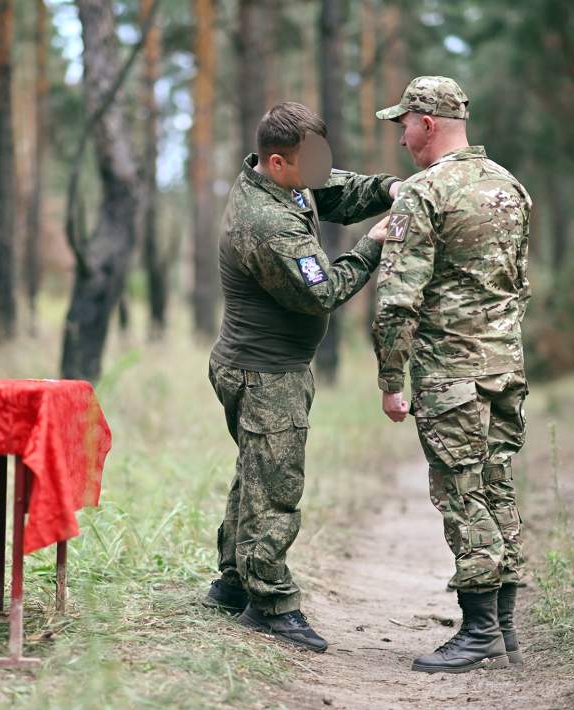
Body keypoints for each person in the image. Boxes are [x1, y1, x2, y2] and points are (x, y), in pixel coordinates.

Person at [205, 101, 401, 652]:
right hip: (264, 374)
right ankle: (269, 603)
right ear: (276, 161)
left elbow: (335, 189)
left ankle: (234, 579)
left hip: (259, 365)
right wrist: (373, 246)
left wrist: (390, 189)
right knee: (276, 487)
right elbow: (323, 294)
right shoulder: (267, 224)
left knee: (256, 473)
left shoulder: (282, 178)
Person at [371, 76, 532, 673]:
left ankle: (480, 631)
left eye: (404, 124)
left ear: (428, 123)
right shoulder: (508, 186)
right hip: (505, 367)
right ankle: (507, 627)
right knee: (496, 484)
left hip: (451, 374)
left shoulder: (423, 192)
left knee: (461, 493)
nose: (402, 136)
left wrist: (392, 379)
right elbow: (514, 284)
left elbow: (397, 299)